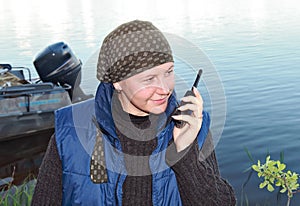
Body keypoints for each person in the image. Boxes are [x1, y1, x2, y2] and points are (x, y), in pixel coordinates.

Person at [31, 20, 236, 206]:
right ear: (117, 82)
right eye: (149, 79)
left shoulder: (192, 126)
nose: (165, 88)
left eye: (169, 72)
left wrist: (184, 154)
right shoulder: (71, 130)